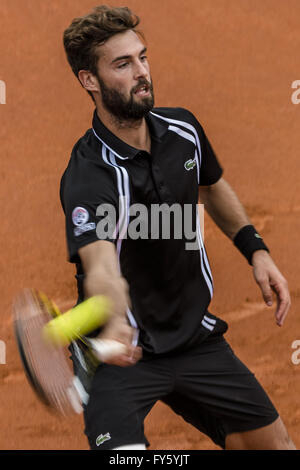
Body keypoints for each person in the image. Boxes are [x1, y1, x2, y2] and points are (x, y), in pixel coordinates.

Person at [60, 5, 295, 450]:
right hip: (121, 353)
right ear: (89, 80)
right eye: (123, 64)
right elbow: (101, 265)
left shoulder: (182, 129)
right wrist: (112, 322)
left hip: (193, 337)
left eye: (143, 57)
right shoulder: (89, 175)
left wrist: (256, 249)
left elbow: (212, 185)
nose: (142, 72)